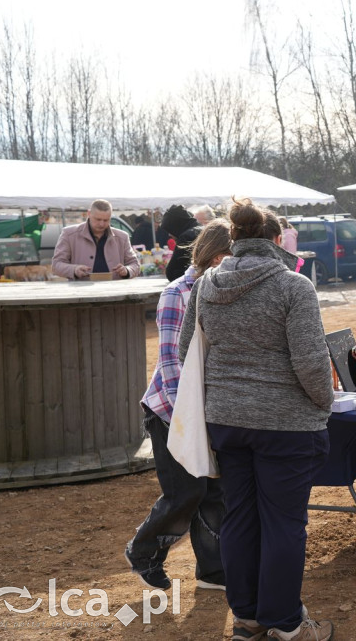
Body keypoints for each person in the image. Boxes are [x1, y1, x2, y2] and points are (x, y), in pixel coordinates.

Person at [179, 199, 335, 641]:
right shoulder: (293, 285)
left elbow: (187, 350)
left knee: (240, 518)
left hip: (227, 421)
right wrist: (325, 404)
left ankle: (248, 618)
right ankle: (286, 623)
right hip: (286, 424)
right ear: (277, 239)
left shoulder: (206, 284)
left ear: (233, 238)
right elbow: (311, 362)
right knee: (283, 523)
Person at [126, 219, 233, 592]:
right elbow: (172, 363)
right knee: (186, 492)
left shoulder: (223, 289)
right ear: (217, 257)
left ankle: (213, 571)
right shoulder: (177, 293)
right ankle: (143, 552)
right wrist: (186, 421)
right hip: (171, 412)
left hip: (205, 411)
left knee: (214, 492)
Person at [52, 199, 140, 280]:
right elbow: (56, 265)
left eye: (106, 220)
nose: (101, 224)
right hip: (81, 290)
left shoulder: (122, 237)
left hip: (114, 290)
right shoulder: (69, 234)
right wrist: (74, 270)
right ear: (89, 214)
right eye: (98, 219)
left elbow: (135, 265)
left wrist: (127, 270)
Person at [162, 204, 203, 282]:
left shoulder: (187, 237)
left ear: (176, 226)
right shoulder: (203, 230)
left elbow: (173, 272)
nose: (169, 235)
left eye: (170, 230)